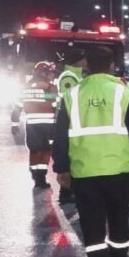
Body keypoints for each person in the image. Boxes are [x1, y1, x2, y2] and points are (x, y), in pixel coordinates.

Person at [52, 47, 129, 257]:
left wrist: (62, 168)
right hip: (117, 169)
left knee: (91, 224)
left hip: (84, 171)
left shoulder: (72, 95)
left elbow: (60, 135)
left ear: (87, 64)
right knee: (118, 218)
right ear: (111, 65)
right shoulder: (123, 92)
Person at [53, 48, 87, 204]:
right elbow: (71, 101)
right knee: (68, 155)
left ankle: (69, 190)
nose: (86, 62)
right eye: (84, 59)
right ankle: (66, 192)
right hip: (69, 121)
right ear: (78, 61)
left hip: (72, 120)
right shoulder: (69, 76)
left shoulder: (76, 75)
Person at [20, 61, 58, 189]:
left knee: (34, 150)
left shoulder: (25, 87)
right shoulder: (50, 87)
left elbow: (18, 106)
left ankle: (35, 175)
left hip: (31, 124)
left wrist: (14, 124)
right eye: (48, 73)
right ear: (44, 73)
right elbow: (55, 106)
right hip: (48, 125)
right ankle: (41, 177)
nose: (50, 75)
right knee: (46, 150)